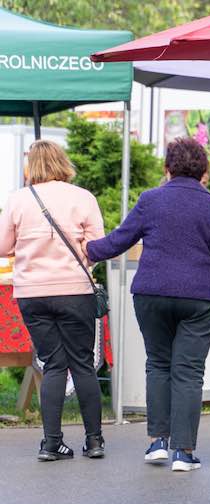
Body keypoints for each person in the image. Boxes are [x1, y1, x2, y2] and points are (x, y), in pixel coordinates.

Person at [86, 137, 210, 472]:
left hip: (152, 293)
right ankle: (183, 453)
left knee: (158, 364)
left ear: (167, 168)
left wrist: (88, 250)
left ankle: (158, 442)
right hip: (200, 299)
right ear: (204, 172)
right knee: (188, 371)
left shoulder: (150, 200)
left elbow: (119, 240)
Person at [0, 140, 106, 461]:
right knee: (82, 364)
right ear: (63, 162)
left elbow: (3, 246)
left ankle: (51, 444)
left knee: (54, 364)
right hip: (75, 291)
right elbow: (96, 247)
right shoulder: (83, 198)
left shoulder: (18, 200)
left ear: (31, 166)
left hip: (32, 294)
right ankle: (94, 441)